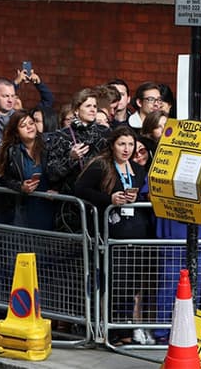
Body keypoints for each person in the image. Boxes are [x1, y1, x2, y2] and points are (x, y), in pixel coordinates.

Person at [73, 126, 152, 345]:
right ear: (112, 145)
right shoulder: (101, 165)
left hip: (134, 230)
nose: (127, 149)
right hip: (110, 230)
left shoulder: (137, 168)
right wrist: (109, 199)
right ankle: (110, 329)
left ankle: (124, 326)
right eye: (121, 144)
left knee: (131, 281)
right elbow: (80, 189)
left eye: (130, 144)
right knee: (112, 279)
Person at [0, 109, 55, 230]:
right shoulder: (12, 151)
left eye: (31, 123)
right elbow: (3, 177)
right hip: (25, 208)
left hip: (51, 206)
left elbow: (61, 172)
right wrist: (20, 187)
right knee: (26, 247)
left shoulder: (50, 144)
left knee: (51, 246)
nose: (29, 127)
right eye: (23, 125)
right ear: (16, 132)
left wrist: (57, 190)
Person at [46, 88, 110, 193]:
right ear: (76, 110)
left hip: (100, 193)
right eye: (88, 106)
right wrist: (71, 158)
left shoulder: (105, 133)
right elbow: (52, 174)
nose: (93, 109)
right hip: (72, 198)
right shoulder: (61, 135)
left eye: (94, 106)